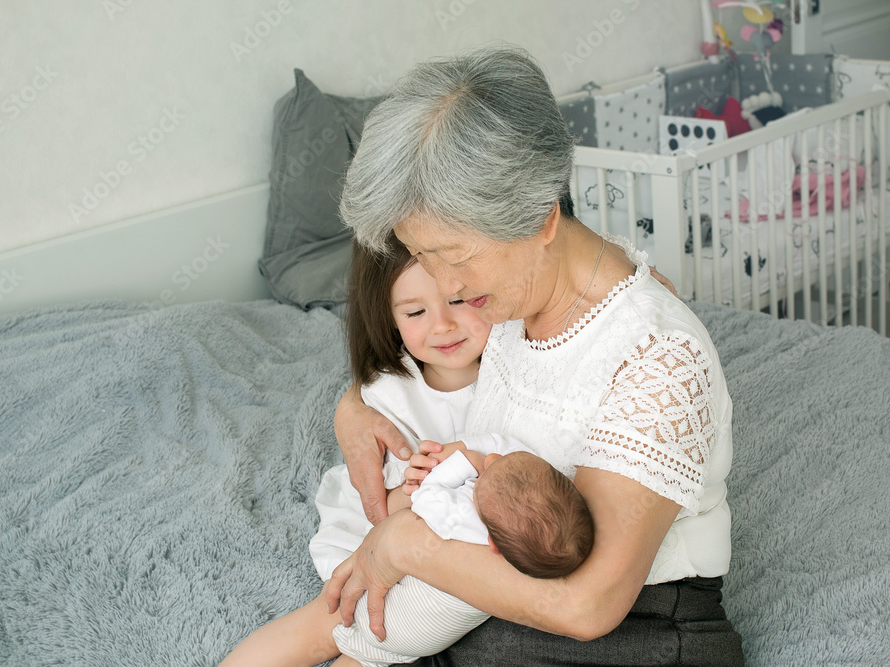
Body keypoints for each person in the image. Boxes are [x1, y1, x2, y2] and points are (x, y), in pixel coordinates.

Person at [327, 46, 744, 666]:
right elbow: (430, 368)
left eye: (453, 255)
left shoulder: (659, 357)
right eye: (423, 257)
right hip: (502, 583)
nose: (442, 287)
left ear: (542, 219)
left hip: (635, 630)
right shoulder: (508, 297)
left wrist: (405, 549)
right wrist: (353, 407)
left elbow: (589, 606)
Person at [219, 239, 594, 667]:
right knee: (330, 621)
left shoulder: (519, 363)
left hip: (459, 569)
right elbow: (382, 511)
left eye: (460, 300)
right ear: (390, 319)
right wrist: (413, 487)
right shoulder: (392, 400)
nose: (443, 325)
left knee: (372, 649)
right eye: (416, 312)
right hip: (382, 532)